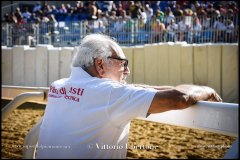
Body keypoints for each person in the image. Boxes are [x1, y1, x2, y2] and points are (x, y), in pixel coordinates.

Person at [36, 33, 222, 159]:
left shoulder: (58, 85)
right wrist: (209, 90)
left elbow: (127, 88)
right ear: (100, 65)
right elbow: (180, 98)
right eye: (123, 64)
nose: (127, 71)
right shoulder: (110, 94)